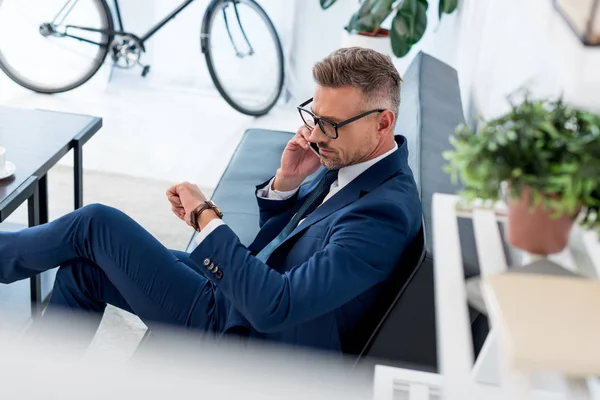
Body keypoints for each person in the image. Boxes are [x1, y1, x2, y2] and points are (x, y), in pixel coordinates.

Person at [0, 47, 422, 353]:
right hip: (239, 301)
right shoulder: (353, 162)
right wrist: (287, 184)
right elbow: (280, 247)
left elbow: (277, 307)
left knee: (95, 224)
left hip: (245, 336)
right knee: (83, 270)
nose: (313, 135)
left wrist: (206, 217)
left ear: (383, 122)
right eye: (313, 117)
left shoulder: (380, 214)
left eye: (330, 125)